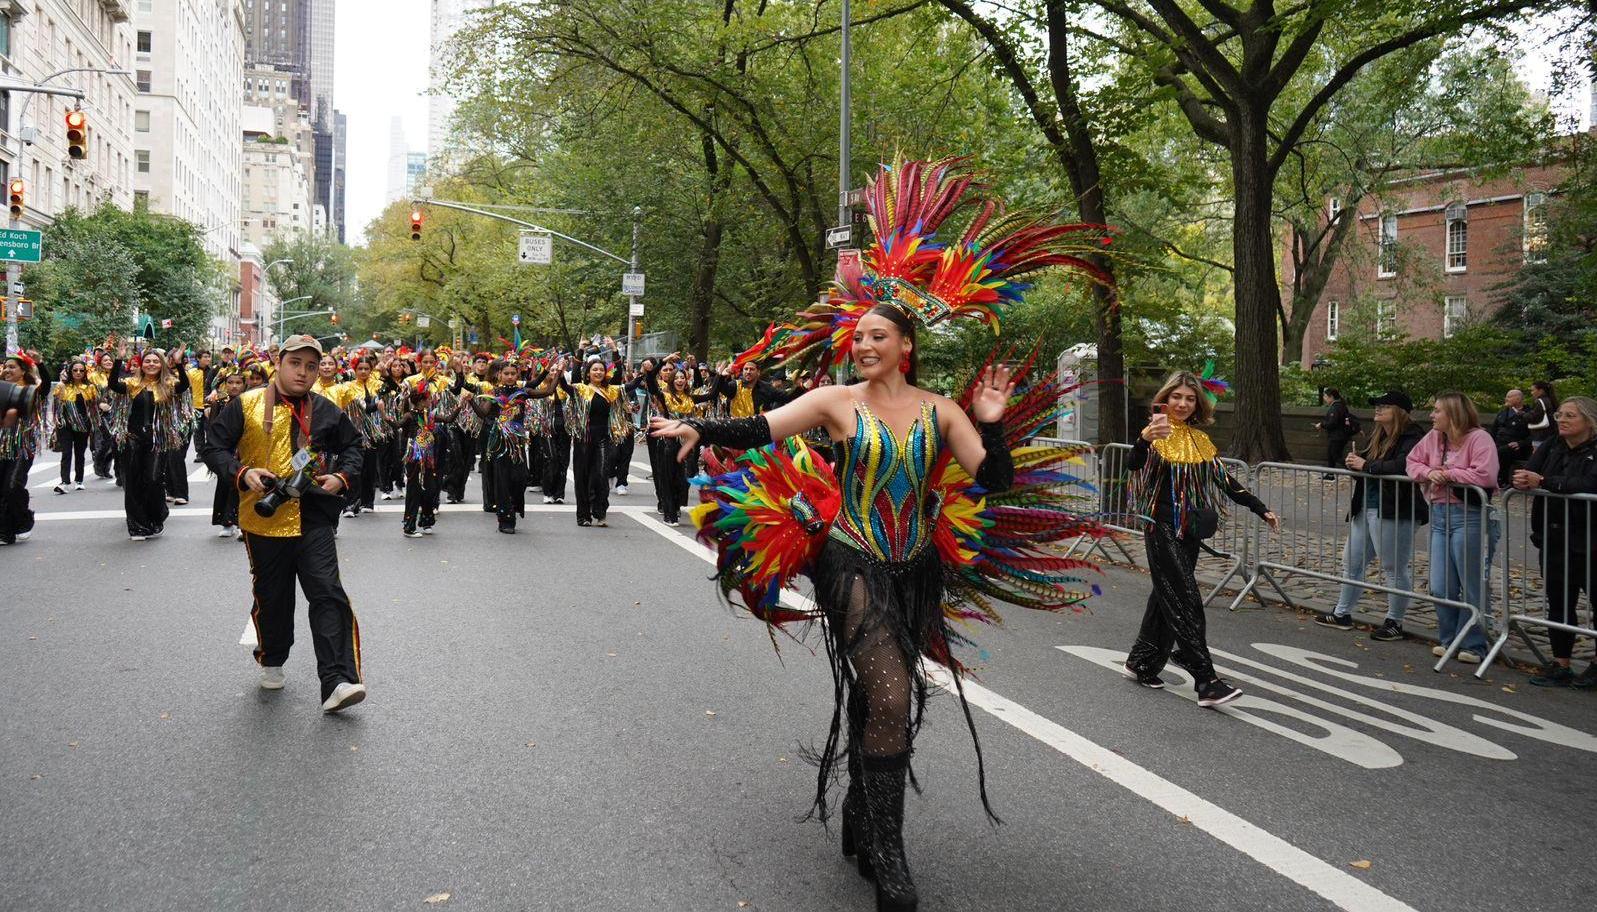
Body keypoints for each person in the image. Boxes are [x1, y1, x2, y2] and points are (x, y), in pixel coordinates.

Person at [201, 334, 366, 712]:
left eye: (311, 366)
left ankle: (338, 680)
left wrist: (341, 477)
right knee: (274, 598)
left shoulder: (326, 410)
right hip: (263, 519)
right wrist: (242, 473)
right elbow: (213, 448)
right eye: (296, 364)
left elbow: (353, 447)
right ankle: (272, 656)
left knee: (327, 591)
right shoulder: (245, 404)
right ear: (279, 362)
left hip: (314, 517)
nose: (304, 372)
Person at [1124, 371, 1279, 705]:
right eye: (1176, 397)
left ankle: (1141, 661)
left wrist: (1259, 507)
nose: (1182, 403)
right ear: (1165, 400)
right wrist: (1144, 439)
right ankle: (1205, 679)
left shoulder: (1201, 441)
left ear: (1198, 404)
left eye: (1189, 398)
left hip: (1190, 531)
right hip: (1162, 527)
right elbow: (1132, 464)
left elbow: (1226, 482)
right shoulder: (1156, 433)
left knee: (1167, 595)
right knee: (1186, 598)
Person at [1317, 390, 1427, 640]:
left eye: (1384, 405)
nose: (1377, 409)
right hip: (1366, 506)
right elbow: (1366, 463)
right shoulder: (1379, 436)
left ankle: (1395, 621)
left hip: (1395, 509)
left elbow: (1404, 466)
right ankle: (1342, 612)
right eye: (1377, 405)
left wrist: (1366, 466)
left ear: (1398, 411)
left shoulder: (1413, 435)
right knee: (1352, 562)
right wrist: (1354, 462)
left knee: (1393, 566)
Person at [1406, 392, 1500, 664]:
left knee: (1471, 583)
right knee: (1440, 584)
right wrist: (1429, 472)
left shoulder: (1479, 438)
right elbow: (1413, 462)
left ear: (1454, 414)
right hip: (1439, 513)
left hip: (1468, 515)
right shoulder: (1434, 438)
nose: (1432, 415)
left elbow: (1485, 474)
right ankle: (1449, 639)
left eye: (1437, 411)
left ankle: (1473, 643)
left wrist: (1447, 473)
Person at [1515, 396, 1597, 688]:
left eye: (1570, 416)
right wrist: (1522, 480)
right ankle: (1561, 662)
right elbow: (1530, 471)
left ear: (1589, 421)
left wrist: (1546, 482)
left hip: (1590, 539)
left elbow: (1589, 484)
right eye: (1560, 414)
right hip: (1553, 536)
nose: (1561, 419)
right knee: (1560, 601)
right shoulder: (1552, 445)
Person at [106, 345, 192, 540]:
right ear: (141, 364)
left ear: (161, 365)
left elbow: (184, 386)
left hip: (157, 440)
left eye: (155, 361)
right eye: (147, 361)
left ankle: (156, 517)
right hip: (133, 439)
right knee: (133, 483)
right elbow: (113, 385)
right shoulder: (132, 383)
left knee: (153, 480)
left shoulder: (169, 384)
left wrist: (178, 363)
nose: (151, 364)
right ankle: (137, 526)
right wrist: (118, 360)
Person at [398, 349, 465, 537]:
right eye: (425, 362)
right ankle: (411, 520)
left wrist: (459, 372)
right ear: (420, 363)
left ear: (436, 362)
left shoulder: (443, 381)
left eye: (431, 362)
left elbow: (457, 389)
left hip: (437, 431)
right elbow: (402, 407)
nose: (428, 365)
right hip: (416, 438)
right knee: (415, 479)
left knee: (434, 474)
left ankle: (430, 509)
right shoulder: (410, 381)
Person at [557, 357, 628, 527]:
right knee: (582, 477)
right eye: (594, 369)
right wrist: (560, 370)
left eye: (601, 370)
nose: (598, 372)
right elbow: (565, 386)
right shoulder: (581, 389)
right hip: (583, 439)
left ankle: (600, 511)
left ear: (605, 373)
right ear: (588, 373)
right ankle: (584, 515)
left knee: (601, 476)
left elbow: (630, 384)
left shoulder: (610, 391)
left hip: (603, 439)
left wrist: (647, 373)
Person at [0, 352, 48, 545]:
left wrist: (40, 363)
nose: (8, 370)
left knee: (12, 486)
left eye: (13, 367)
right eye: (6, 366)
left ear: (23, 371)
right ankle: (5, 532)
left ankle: (24, 519)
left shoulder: (31, 390)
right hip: (0, 446)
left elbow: (44, 390)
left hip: (21, 447)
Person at [206, 368, 246, 537]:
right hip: (225, 449)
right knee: (225, 484)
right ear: (224, 384)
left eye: (238, 382)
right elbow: (213, 427)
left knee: (242, 485)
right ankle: (227, 521)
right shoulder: (219, 403)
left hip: (244, 448)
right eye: (230, 382)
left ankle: (241, 521)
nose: (234, 386)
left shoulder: (249, 401)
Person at [50, 359, 98, 494]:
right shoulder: (62, 387)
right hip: (65, 425)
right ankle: (64, 481)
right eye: (75, 370)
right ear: (70, 371)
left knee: (80, 452)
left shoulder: (90, 388)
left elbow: (93, 407)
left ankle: (79, 480)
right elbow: (56, 407)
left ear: (85, 372)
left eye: (81, 370)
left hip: (83, 425)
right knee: (66, 452)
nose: (78, 372)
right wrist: (57, 421)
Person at [1490, 389, 1532, 488]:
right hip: (1499, 444)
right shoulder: (1502, 413)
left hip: (1518, 447)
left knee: (1503, 451)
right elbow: (1493, 431)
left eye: (1509, 397)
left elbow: (1534, 435)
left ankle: (1501, 480)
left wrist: (1520, 443)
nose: (1506, 399)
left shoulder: (1529, 414)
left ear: (1518, 398)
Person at [1314, 387, 1357, 478]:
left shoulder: (1336, 408)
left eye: (1325, 396)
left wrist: (1321, 425)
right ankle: (1330, 474)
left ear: (1331, 397)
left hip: (1337, 436)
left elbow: (1332, 423)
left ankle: (1354, 470)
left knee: (1336, 456)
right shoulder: (1341, 406)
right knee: (1331, 455)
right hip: (1340, 436)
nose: (1324, 399)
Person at [1525, 381, 1558, 446]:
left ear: (1541, 390)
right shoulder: (1551, 400)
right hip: (1551, 434)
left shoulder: (1540, 402)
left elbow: (1534, 418)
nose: (1532, 393)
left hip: (1540, 435)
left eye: (1533, 390)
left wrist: (1524, 414)